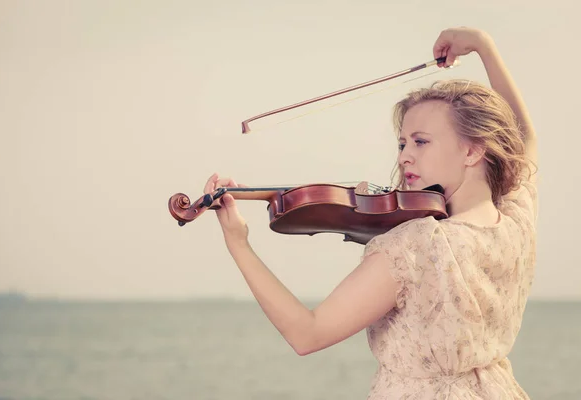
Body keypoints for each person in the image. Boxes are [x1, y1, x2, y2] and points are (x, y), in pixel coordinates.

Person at [202, 27, 538, 399]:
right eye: (402, 142)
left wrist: (239, 243)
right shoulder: (513, 221)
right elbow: (524, 138)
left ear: (473, 151)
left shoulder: (418, 246)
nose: (404, 155)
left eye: (421, 142)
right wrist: (482, 46)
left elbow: (307, 334)